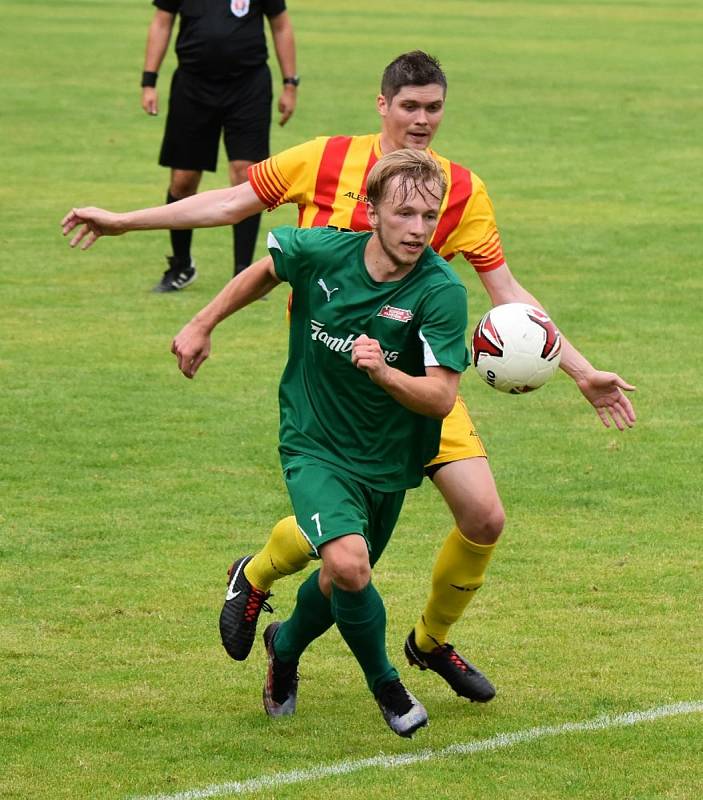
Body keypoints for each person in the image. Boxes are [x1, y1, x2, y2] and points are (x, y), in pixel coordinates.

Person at [62, 51, 637, 705]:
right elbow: (231, 202)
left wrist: (580, 370)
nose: (422, 120)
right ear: (382, 105)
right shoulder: (326, 158)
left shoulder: (459, 189)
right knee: (345, 557)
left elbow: (505, 290)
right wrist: (123, 220)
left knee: (482, 517)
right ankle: (262, 582)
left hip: (414, 381)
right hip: (332, 386)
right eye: (410, 106)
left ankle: (427, 641)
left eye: (434, 108)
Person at [173, 149, 470, 735]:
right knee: (349, 565)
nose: (417, 229)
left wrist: (385, 372)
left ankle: (283, 649)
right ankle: (387, 685)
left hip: (387, 460)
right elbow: (266, 269)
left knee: (338, 584)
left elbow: (440, 398)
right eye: (404, 213)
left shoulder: (441, 291)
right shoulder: (320, 250)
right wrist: (202, 322)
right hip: (312, 441)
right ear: (372, 209)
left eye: (428, 217)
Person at [141, 0, 298, 292]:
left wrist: (291, 83)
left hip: (248, 86)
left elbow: (281, 24)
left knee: (245, 174)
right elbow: (162, 21)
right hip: (192, 86)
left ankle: (243, 273)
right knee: (183, 179)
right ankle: (181, 264)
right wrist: (149, 81)